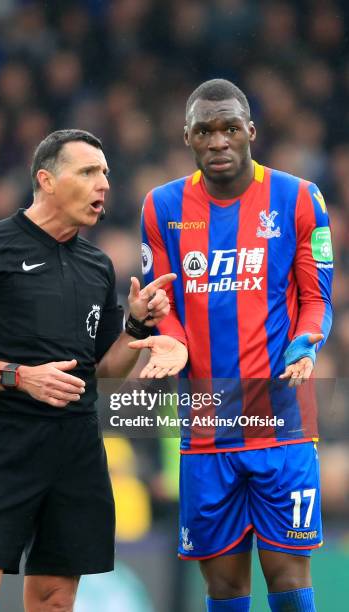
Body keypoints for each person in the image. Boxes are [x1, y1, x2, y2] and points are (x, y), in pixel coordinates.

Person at [0, 129, 188, 612]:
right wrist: (21, 376)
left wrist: (134, 325)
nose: (104, 184)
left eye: (106, 173)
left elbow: (104, 370)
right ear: (46, 180)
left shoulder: (97, 267)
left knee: (54, 599)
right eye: (89, 171)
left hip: (75, 449)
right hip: (0, 442)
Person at [138, 80, 333, 611]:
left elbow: (317, 300)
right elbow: (165, 308)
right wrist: (171, 341)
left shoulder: (298, 197)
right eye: (205, 131)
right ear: (187, 138)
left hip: (282, 420)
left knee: (289, 580)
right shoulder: (162, 207)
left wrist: (305, 345)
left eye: (229, 128)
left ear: (251, 131)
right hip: (206, 423)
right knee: (224, 589)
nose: (218, 141)